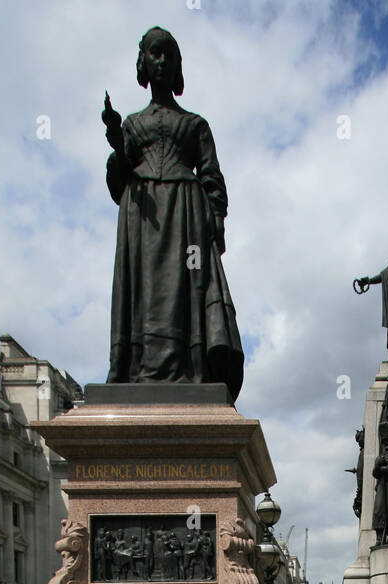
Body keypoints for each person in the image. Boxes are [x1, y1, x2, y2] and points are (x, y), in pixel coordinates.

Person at [102, 27, 244, 396]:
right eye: (154, 53)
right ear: (144, 63)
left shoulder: (195, 124)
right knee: (142, 289)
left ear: (178, 65)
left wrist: (214, 226)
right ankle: (129, 367)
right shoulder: (132, 124)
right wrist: (118, 146)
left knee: (189, 285)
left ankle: (192, 368)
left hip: (187, 220)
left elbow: (212, 176)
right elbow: (117, 184)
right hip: (141, 217)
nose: (161, 61)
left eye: (168, 54)